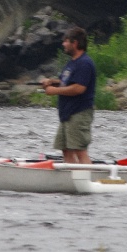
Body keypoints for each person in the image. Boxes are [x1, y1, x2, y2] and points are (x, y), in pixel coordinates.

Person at [40, 27, 96, 164]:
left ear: (75, 43)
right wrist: (52, 82)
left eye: (66, 41)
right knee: (65, 148)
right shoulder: (72, 63)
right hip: (67, 114)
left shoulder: (85, 63)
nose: (63, 44)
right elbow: (67, 82)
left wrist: (54, 91)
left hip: (79, 113)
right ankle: (71, 178)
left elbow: (79, 88)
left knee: (79, 150)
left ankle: (85, 181)